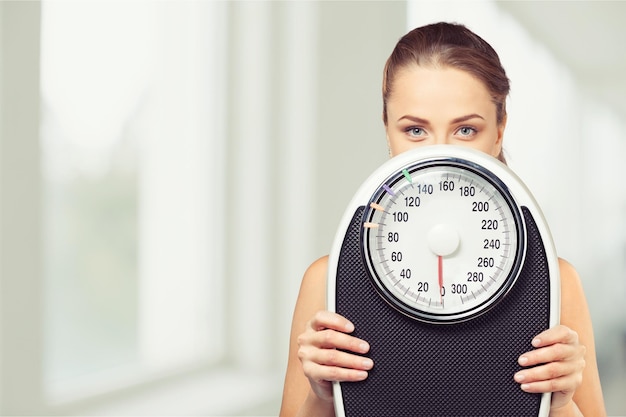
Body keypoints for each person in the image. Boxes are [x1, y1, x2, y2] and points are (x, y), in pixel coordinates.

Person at [279, 22, 606, 417]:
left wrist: (560, 404)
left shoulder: (554, 281)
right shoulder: (330, 280)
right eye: (415, 130)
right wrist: (322, 397)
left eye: (466, 130)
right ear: (387, 130)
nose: (440, 156)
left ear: (499, 131)